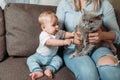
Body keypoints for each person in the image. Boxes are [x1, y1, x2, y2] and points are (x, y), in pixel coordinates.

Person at [56, 0, 120, 80]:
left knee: (110, 69)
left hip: (99, 46)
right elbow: (55, 33)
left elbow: (117, 35)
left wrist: (102, 35)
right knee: (88, 73)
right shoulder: (65, 4)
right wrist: (72, 37)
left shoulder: (104, 4)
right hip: (74, 48)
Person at [27, 11, 74, 80]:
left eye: (57, 24)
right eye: (54, 25)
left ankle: (49, 69)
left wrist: (72, 34)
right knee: (30, 59)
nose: (57, 26)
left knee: (59, 60)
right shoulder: (43, 34)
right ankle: (37, 71)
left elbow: (64, 34)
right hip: (40, 56)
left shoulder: (58, 32)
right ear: (44, 27)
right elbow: (50, 42)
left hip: (53, 56)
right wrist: (64, 42)